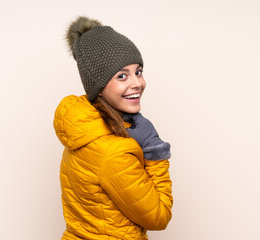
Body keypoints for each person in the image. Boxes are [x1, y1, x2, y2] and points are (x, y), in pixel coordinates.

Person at [54, 16, 173, 240]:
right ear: (97, 87)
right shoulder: (114, 151)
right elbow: (158, 216)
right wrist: (154, 152)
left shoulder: (83, 130)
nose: (137, 83)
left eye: (138, 71)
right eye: (121, 76)